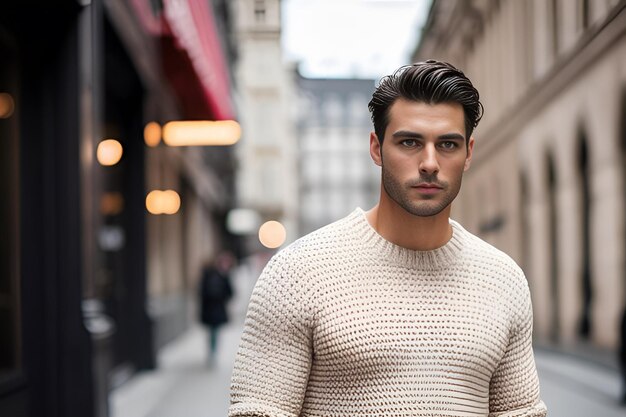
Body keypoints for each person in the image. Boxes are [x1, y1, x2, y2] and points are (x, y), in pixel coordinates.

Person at [229, 60, 547, 416]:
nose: (429, 162)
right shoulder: (297, 273)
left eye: (448, 144)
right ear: (377, 148)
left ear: (469, 153)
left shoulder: (504, 280)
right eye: (409, 142)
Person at [199, 251, 234, 364]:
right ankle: (212, 352)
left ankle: (213, 351)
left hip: (216, 309)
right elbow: (204, 292)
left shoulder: (223, 275)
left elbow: (230, 292)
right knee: (213, 331)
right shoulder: (212, 275)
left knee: (214, 331)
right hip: (212, 309)